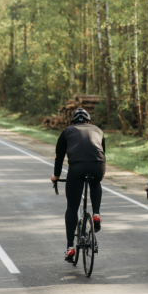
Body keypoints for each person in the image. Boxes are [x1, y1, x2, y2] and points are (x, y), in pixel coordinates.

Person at [51, 108, 105, 262]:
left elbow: (59, 157)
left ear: (72, 122)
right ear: (88, 121)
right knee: (95, 181)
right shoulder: (98, 130)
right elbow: (103, 152)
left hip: (77, 167)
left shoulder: (67, 131)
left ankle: (70, 248)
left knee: (72, 208)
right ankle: (96, 214)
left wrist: (56, 176)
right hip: (98, 165)